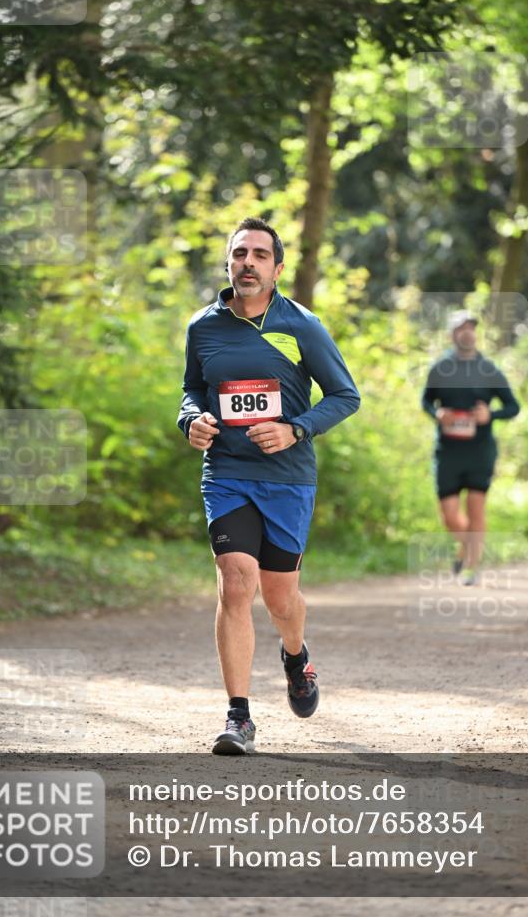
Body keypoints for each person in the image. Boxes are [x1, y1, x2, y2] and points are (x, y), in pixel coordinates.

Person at [177, 217, 360, 754]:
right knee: (236, 582)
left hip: (287, 480)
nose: (248, 263)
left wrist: (294, 428)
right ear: (228, 263)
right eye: (240, 254)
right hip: (227, 474)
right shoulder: (203, 326)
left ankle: (296, 655)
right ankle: (239, 718)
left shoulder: (302, 325)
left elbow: (345, 396)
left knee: (282, 600)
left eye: (260, 255)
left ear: (278, 269)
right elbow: (191, 390)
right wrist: (192, 421)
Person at [421, 310, 520, 586]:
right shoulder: (440, 369)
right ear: (453, 334)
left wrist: (491, 415)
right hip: (448, 452)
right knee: (450, 515)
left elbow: (513, 406)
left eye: (471, 328)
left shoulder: (489, 370)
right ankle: (467, 548)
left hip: (480, 451)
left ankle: (471, 567)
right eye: (461, 328)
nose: (467, 332)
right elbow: (426, 401)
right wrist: (437, 415)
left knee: (476, 509)